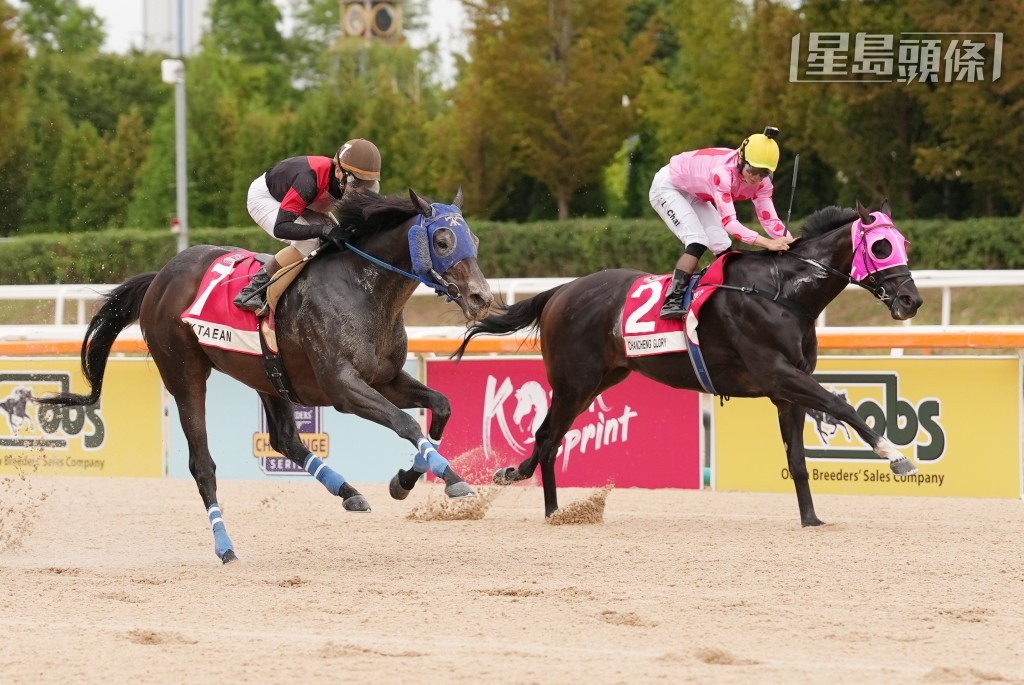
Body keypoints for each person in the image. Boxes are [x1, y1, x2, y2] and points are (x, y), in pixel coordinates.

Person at [649, 126, 795, 319]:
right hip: (669, 187)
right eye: (753, 169)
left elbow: (770, 220)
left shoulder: (763, 184)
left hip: (695, 192)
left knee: (722, 244)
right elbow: (730, 223)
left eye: (764, 172)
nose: (756, 177)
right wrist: (767, 243)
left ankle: (727, 296)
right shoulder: (723, 173)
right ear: (741, 159)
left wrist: (790, 241)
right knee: (697, 240)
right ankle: (672, 300)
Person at [233, 138, 383, 314]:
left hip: (308, 201)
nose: (360, 190)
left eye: (368, 184)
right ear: (339, 171)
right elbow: (282, 227)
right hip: (267, 198)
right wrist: (323, 230)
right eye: (356, 183)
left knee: (340, 242)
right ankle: (253, 289)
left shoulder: (345, 179)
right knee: (310, 242)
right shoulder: (308, 180)